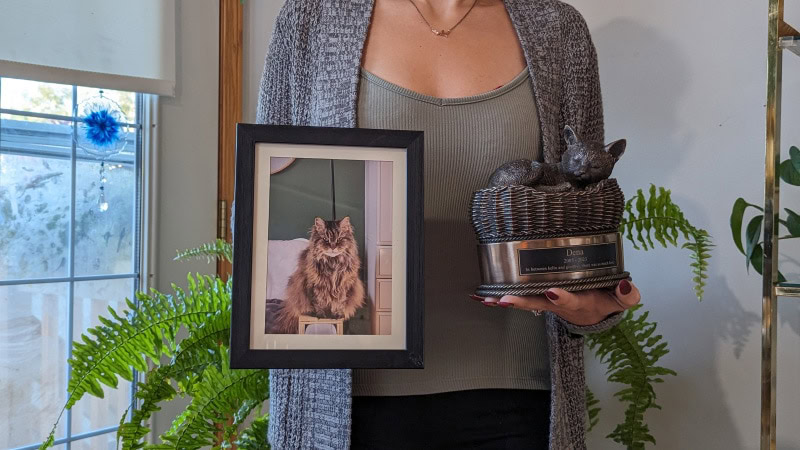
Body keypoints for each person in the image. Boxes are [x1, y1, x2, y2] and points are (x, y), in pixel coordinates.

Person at [257, 0, 642, 448]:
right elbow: (263, 192)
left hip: (519, 399)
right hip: (344, 406)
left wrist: (589, 306)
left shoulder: (558, 31)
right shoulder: (311, 20)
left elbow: (586, 203)